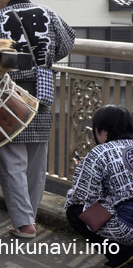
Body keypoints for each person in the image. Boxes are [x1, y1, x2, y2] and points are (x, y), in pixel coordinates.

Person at [0, 0, 75, 238]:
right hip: (42, 91)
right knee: (37, 160)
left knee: (13, 159)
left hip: (9, 93)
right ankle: (29, 217)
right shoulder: (48, 14)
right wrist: (44, 61)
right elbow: (67, 42)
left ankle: (23, 222)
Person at [65, 105, 133, 268]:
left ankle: (122, 255)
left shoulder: (99, 153)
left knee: (75, 210)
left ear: (103, 131)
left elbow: (82, 196)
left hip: (127, 228)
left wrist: (83, 170)